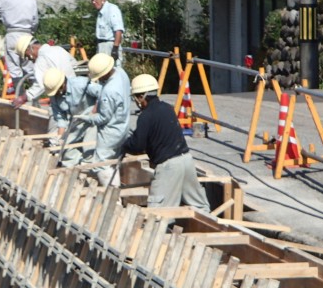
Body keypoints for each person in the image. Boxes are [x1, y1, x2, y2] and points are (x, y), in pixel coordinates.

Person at [122, 74, 210, 213]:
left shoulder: (146, 116)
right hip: (186, 160)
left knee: (157, 214)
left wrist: (124, 145)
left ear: (141, 97)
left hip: (169, 166)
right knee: (200, 207)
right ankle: (211, 227)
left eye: (136, 98)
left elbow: (137, 145)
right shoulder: (167, 108)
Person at [74, 53, 130, 187]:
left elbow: (103, 118)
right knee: (113, 159)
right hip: (123, 125)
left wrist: (87, 119)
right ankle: (115, 189)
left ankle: (113, 195)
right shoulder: (121, 74)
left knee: (100, 163)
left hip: (111, 131)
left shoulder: (109, 91)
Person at [43, 68, 99, 167]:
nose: (56, 94)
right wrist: (60, 138)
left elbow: (102, 94)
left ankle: (88, 169)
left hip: (93, 121)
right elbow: (60, 118)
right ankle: (73, 168)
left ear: (63, 84)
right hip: (77, 122)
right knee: (67, 150)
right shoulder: (54, 96)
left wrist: (94, 111)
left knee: (89, 147)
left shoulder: (81, 84)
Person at [12, 35, 78, 109]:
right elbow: (74, 65)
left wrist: (23, 98)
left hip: (63, 98)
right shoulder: (59, 49)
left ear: (30, 49)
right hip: (77, 90)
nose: (30, 60)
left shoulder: (41, 60)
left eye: (27, 56)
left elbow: (40, 85)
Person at [87, 0, 124, 67]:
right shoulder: (100, 12)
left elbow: (118, 30)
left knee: (113, 72)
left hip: (110, 46)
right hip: (101, 46)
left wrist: (115, 49)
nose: (93, 2)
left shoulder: (112, 9)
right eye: (91, 0)